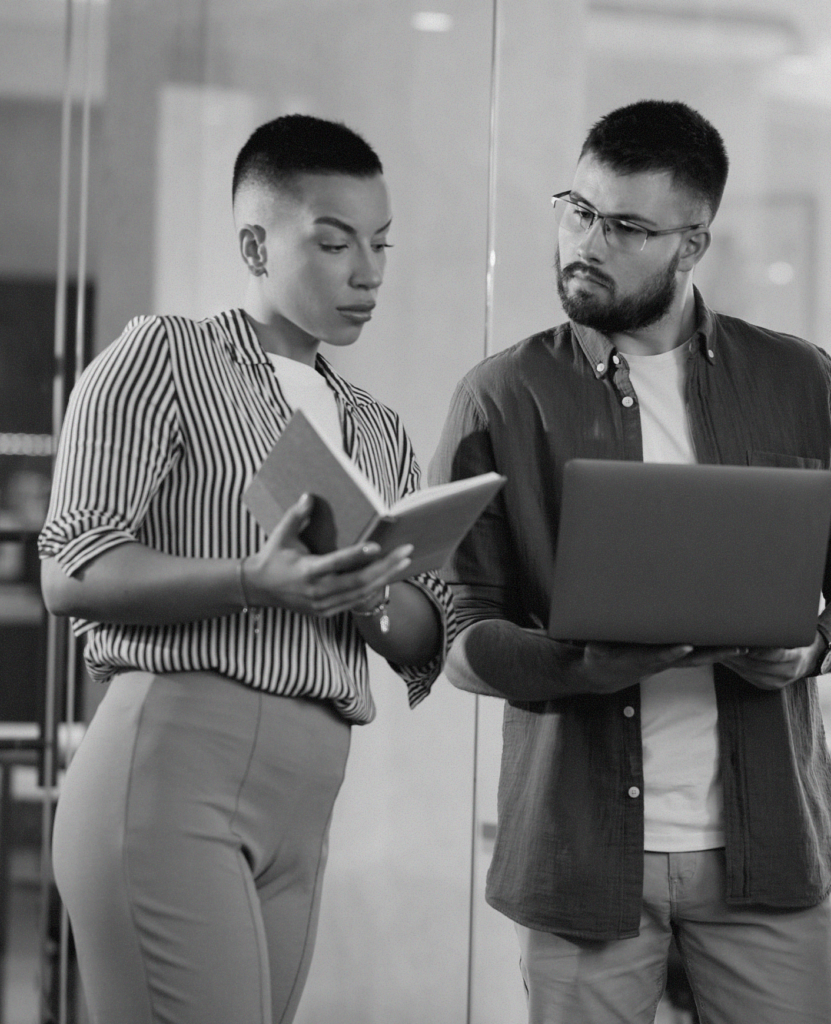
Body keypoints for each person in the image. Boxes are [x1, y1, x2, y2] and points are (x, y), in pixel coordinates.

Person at [39, 113, 454, 1024]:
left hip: (307, 791)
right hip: (174, 757)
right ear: (255, 245)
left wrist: (370, 594)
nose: (368, 272)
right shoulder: (167, 358)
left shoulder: (379, 428)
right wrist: (251, 580)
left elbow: (425, 629)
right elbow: (74, 564)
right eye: (336, 241)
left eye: (380, 244)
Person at [430, 99, 831, 1024]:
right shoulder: (501, 396)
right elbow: (458, 639)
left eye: (625, 227)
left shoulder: (801, 383)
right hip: (580, 863)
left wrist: (805, 650)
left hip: (766, 857)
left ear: (691, 246)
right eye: (577, 209)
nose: (586, 241)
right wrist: (579, 665)